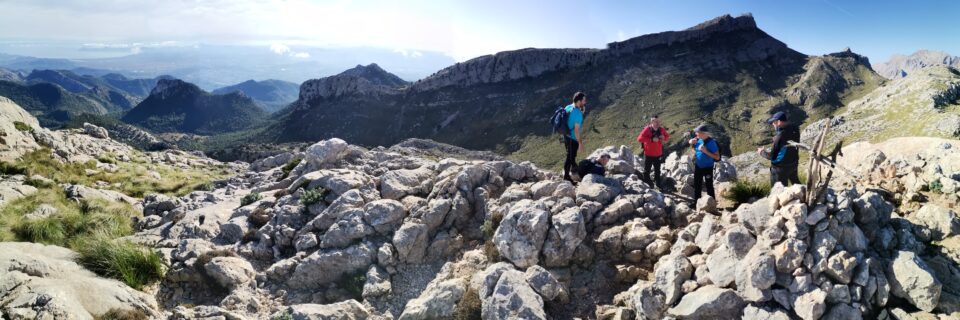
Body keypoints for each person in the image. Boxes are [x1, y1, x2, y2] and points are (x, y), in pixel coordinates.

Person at [757, 111, 801, 186]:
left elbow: (771, 156)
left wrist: (761, 152)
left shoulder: (780, 136)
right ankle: (804, 195)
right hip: (793, 163)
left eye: (774, 122)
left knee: (778, 190)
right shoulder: (794, 128)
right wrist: (777, 139)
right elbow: (789, 141)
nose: (773, 124)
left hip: (780, 168)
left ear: (779, 122)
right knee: (796, 183)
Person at [688, 124, 720, 202]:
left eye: (697, 132)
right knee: (697, 184)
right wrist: (690, 142)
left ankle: (712, 203)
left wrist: (706, 151)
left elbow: (717, 157)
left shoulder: (712, 143)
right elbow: (691, 142)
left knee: (709, 185)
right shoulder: (698, 139)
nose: (696, 134)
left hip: (708, 167)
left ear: (703, 133)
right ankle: (696, 202)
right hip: (698, 166)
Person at [636, 116, 670, 188]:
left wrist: (664, 138)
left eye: (658, 121)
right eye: (655, 121)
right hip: (648, 154)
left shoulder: (661, 129)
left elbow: (667, 137)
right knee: (647, 170)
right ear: (652, 122)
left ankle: (658, 184)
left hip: (658, 154)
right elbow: (639, 139)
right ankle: (647, 185)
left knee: (657, 170)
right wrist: (651, 139)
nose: (658, 123)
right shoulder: (647, 129)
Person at [563, 92, 587, 182]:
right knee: (569, 157)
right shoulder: (578, 114)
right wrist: (580, 143)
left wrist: (581, 112)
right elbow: (577, 130)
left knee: (571, 156)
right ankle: (566, 177)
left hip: (566, 136)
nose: (585, 102)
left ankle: (573, 170)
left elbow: (569, 119)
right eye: (584, 100)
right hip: (573, 138)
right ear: (579, 101)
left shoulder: (568, 107)